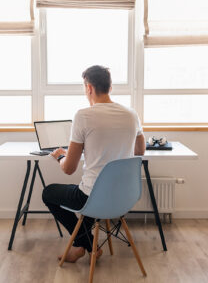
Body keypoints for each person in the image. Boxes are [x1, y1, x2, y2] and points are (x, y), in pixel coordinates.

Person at [42, 65, 145, 263]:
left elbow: (69, 169)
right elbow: (140, 152)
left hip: (92, 197)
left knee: (49, 193)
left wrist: (60, 156)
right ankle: (82, 246)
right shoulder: (132, 114)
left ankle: (88, 246)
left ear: (89, 88)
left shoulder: (83, 116)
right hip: (124, 196)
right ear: (110, 87)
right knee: (94, 196)